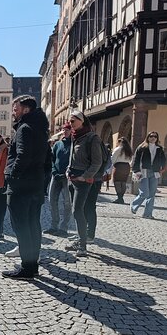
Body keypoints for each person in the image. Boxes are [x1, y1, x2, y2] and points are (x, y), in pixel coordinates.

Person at [1, 95, 49, 280]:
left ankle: (27, 268)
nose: (13, 112)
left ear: (26, 110)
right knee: (33, 226)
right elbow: (46, 159)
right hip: (35, 184)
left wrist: (13, 175)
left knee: (21, 226)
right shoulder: (40, 128)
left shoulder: (25, 128)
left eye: (16, 109)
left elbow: (22, 156)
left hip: (21, 186)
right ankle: (32, 265)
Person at [64, 110, 104, 257]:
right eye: (69, 121)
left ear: (81, 121)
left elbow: (97, 162)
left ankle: (83, 245)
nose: (70, 124)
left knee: (77, 211)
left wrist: (85, 176)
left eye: (73, 121)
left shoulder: (92, 138)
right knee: (77, 211)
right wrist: (68, 170)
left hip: (83, 181)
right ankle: (80, 240)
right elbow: (72, 157)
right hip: (72, 178)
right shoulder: (76, 136)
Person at [44, 122, 73, 237]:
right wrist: (54, 171)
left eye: (67, 130)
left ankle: (63, 227)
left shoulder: (74, 144)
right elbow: (53, 159)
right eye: (64, 130)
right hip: (56, 176)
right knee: (52, 200)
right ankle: (54, 225)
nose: (65, 131)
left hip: (67, 177)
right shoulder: (58, 144)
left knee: (67, 203)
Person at [130, 131, 166, 218]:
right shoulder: (142, 147)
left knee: (152, 194)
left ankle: (147, 214)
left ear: (157, 138)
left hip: (155, 172)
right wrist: (136, 171)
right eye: (151, 136)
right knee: (144, 193)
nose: (153, 138)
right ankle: (134, 205)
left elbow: (163, 159)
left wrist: (162, 168)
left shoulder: (159, 148)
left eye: (155, 136)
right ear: (148, 137)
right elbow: (136, 159)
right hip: (143, 171)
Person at [111, 137, 133, 204]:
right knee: (123, 182)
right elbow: (131, 160)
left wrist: (113, 165)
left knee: (117, 181)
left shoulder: (118, 149)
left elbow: (113, 158)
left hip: (119, 166)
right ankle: (121, 197)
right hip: (126, 166)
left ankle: (119, 197)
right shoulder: (129, 150)